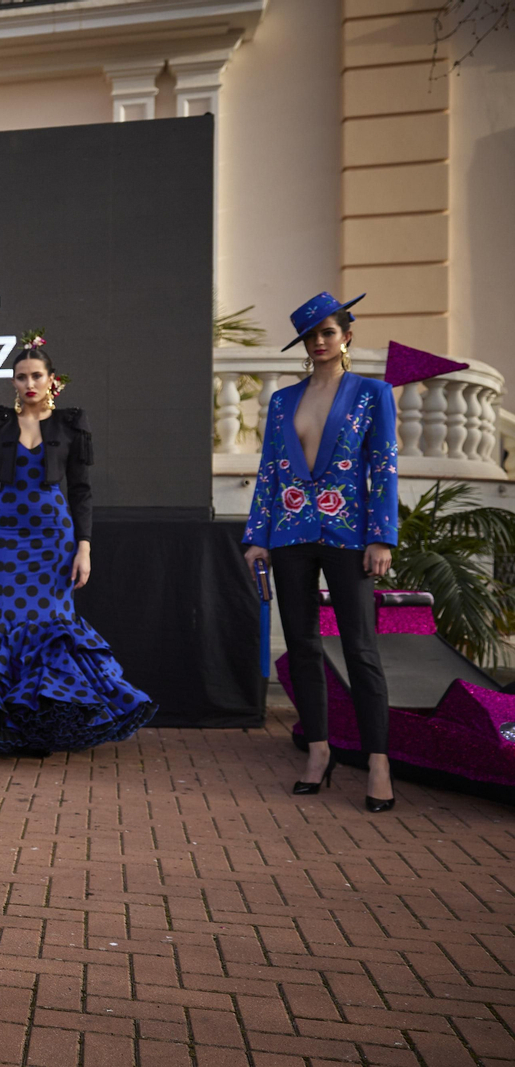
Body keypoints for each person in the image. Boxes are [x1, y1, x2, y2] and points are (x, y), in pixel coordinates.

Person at [0, 334, 156, 761]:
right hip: (7, 540)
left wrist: (84, 548)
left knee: (49, 629)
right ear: (13, 382)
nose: (29, 383)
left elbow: (82, 492)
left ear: (52, 379)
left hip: (54, 542)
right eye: (21, 377)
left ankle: (34, 724)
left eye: (37, 375)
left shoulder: (71, 426)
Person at [242, 292, 399, 812]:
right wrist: (257, 536)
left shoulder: (372, 394)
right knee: (303, 646)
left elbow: (385, 467)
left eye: (327, 332)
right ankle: (318, 752)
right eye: (310, 336)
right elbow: (269, 471)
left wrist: (381, 536)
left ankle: (378, 763)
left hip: (349, 535)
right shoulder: (283, 401)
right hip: (289, 534)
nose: (319, 342)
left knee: (360, 648)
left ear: (346, 335)